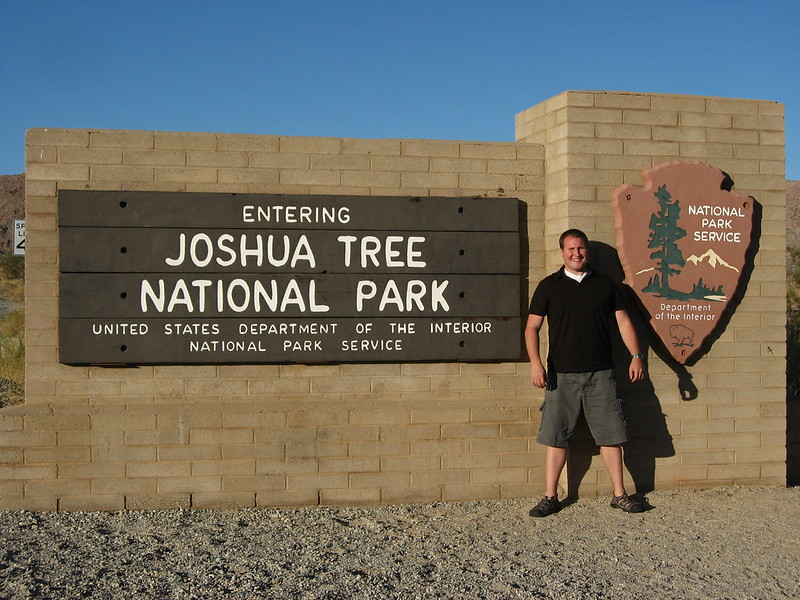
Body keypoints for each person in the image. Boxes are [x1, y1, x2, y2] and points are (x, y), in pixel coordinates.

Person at [525, 229, 646, 517]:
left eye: (581, 248)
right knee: (555, 437)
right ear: (562, 252)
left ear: (587, 251)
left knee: (611, 436)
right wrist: (535, 363)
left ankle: (619, 494)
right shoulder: (548, 286)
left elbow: (624, 322)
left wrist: (637, 356)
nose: (576, 253)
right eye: (571, 249)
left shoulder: (606, 284)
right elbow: (532, 328)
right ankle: (550, 496)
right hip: (560, 375)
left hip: (600, 374)